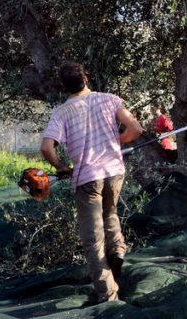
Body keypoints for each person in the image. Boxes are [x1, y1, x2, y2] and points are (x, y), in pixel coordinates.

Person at [40, 61, 143, 303]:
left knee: (92, 239)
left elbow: (46, 148)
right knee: (110, 213)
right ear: (86, 78)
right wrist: (118, 141)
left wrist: (61, 167)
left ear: (64, 87)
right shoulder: (109, 99)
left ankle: (108, 295)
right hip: (114, 171)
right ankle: (117, 250)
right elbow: (135, 129)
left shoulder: (62, 112)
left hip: (87, 177)